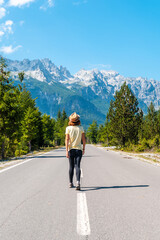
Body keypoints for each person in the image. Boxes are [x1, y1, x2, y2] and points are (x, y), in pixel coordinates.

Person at [65, 112, 86, 190]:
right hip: (78, 150)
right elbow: (84, 139)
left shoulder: (68, 128)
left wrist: (67, 150)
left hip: (71, 149)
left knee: (71, 166)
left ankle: (70, 183)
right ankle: (78, 182)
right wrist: (83, 148)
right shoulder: (81, 128)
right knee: (78, 166)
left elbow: (67, 140)